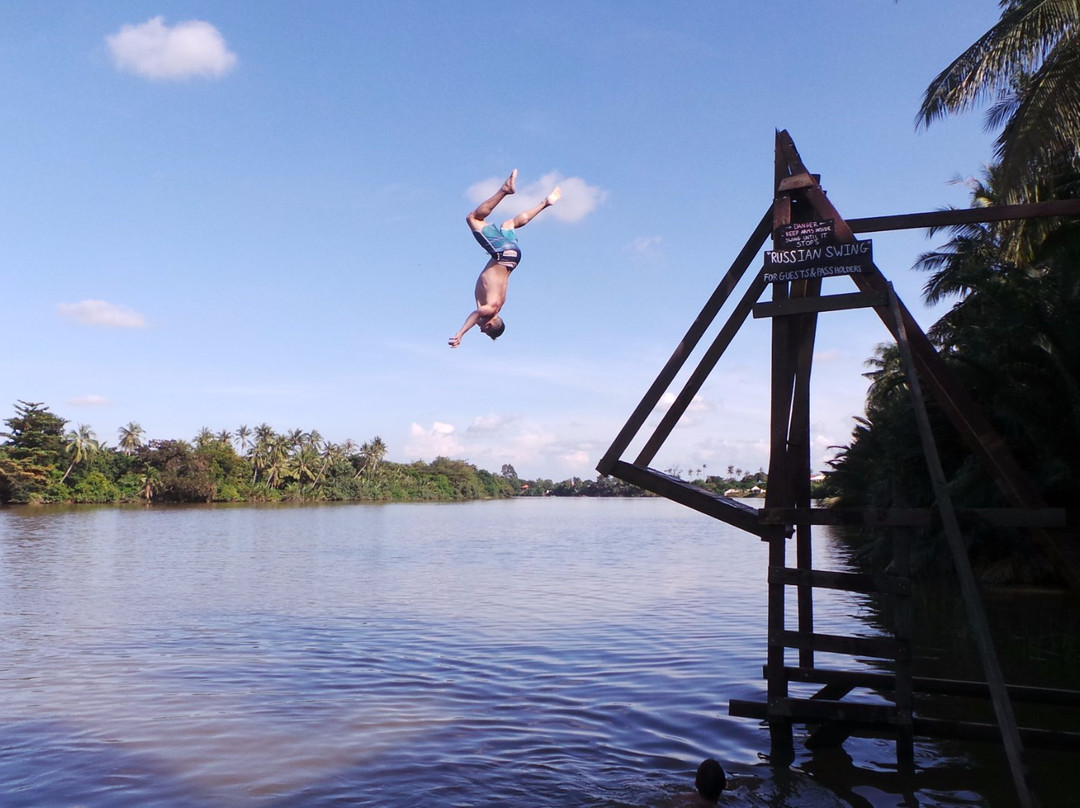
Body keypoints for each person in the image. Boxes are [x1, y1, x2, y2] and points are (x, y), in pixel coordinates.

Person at [448, 169, 561, 347]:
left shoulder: (500, 304)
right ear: (489, 324)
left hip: (512, 258)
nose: (480, 329)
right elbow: (476, 313)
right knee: (474, 218)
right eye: (483, 330)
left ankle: (545, 203)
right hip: (503, 255)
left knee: (509, 224)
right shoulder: (490, 309)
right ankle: (505, 190)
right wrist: (461, 333)